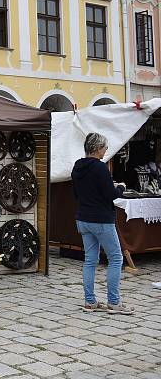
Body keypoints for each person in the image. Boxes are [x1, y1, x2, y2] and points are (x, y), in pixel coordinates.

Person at [72, 132, 133, 315]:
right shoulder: (100, 168)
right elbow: (110, 194)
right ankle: (114, 302)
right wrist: (120, 187)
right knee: (116, 258)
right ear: (97, 148)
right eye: (105, 148)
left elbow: (77, 193)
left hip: (83, 218)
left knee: (90, 260)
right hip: (101, 219)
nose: (106, 151)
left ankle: (90, 302)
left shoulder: (77, 166)